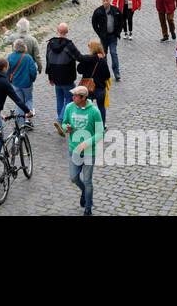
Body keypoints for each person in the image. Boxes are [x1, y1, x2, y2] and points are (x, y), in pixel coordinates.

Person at [62, 85, 104, 216]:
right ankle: (84, 191)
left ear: (83, 97)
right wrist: (66, 128)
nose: (72, 97)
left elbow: (100, 133)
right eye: (73, 95)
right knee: (74, 178)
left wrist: (86, 143)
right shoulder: (69, 107)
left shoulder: (94, 112)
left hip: (88, 153)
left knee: (88, 180)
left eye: (75, 96)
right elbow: (64, 123)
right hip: (74, 150)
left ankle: (88, 208)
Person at [45, 22, 82, 130]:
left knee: (60, 99)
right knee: (70, 98)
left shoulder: (50, 44)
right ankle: (61, 120)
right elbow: (79, 57)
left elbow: (48, 61)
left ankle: (61, 121)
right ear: (67, 32)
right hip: (67, 77)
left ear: (58, 31)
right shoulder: (69, 45)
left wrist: (50, 77)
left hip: (55, 77)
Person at [77, 39, 112, 124]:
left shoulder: (87, 60)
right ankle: (102, 125)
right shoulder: (102, 60)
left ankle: (88, 124)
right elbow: (107, 75)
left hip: (88, 88)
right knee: (101, 107)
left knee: (87, 107)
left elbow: (79, 70)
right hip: (100, 88)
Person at [90, 0, 123, 81]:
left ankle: (116, 72)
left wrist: (117, 33)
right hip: (103, 37)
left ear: (110, 1)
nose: (105, 2)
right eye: (104, 1)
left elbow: (121, 21)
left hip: (113, 36)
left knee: (113, 53)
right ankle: (104, 73)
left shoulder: (115, 10)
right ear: (102, 1)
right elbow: (94, 23)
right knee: (103, 55)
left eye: (107, 1)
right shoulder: (98, 11)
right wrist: (99, 33)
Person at [6, 38, 39, 116]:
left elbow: (7, 71)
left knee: (19, 101)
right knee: (28, 99)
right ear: (24, 47)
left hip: (15, 83)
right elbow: (33, 71)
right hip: (27, 84)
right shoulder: (28, 58)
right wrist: (32, 79)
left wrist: (9, 81)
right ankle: (28, 117)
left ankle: (21, 120)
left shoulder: (10, 57)